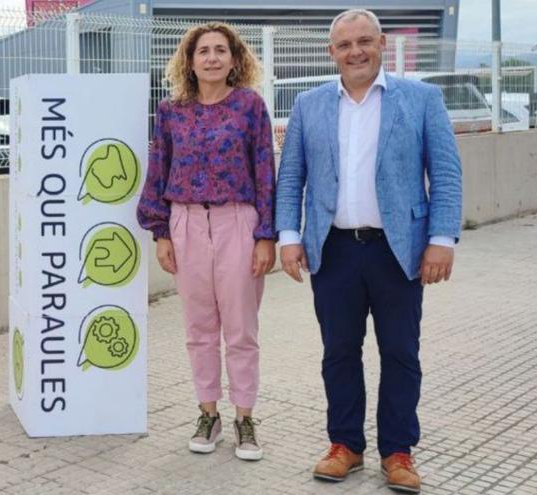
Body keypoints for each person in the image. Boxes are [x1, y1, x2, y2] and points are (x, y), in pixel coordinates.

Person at [275, 9, 462, 494]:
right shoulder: (308, 104)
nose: (355, 51)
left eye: (364, 41)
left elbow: (445, 173)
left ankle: (398, 452)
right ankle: (345, 446)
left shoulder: (421, 99)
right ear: (330, 52)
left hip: (398, 250)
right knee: (338, 352)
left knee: (401, 352)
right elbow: (291, 176)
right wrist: (288, 237)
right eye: (345, 44)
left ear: (381, 42)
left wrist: (441, 240)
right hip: (333, 250)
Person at [137, 22, 276, 461]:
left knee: (240, 328)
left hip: (238, 220)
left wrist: (265, 236)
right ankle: (208, 413)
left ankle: (245, 418)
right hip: (186, 223)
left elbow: (265, 171)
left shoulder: (250, 107)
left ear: (235, 59)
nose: (212, 58)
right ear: (190, 61)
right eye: (204, 51)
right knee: (199, 328)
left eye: (221, 50)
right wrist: (161, 233)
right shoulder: (171, 111)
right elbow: (159, 168)